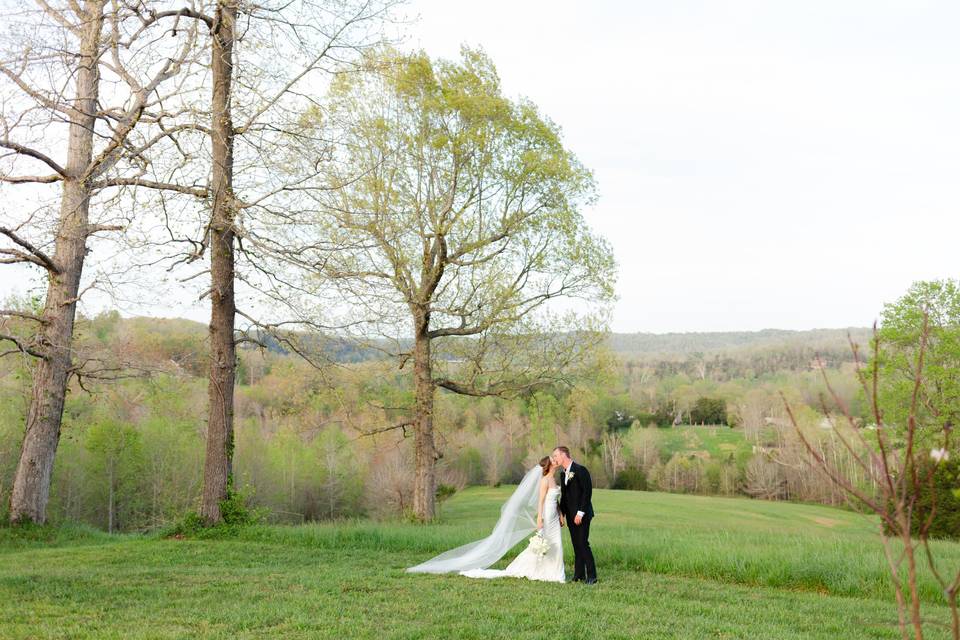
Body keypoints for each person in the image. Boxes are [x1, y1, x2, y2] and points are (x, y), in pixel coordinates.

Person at [406, 456, 564, 583]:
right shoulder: (544, 480)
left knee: (554, 543)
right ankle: (542, 570)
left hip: (554, 517)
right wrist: (539, 519)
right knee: (547, 543)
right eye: (554, 460)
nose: (556, 461)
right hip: (546, 517)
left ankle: (552, 570)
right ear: (549, 465)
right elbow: (541, 501)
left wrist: (560, 514)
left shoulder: (553, 479)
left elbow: (554, 500)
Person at [552, 445, 597, 584]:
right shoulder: (562, 474)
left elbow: (587, 492)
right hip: (571, 516)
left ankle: (592, 576)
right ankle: (579, 575)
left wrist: (580, 513)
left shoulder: (580, 470)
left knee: (583, 544)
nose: (554, 459)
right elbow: (565, 498)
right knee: (576, 545)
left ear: (564, 455)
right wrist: (562, 514)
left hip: (582, 514)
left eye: (556, 456)